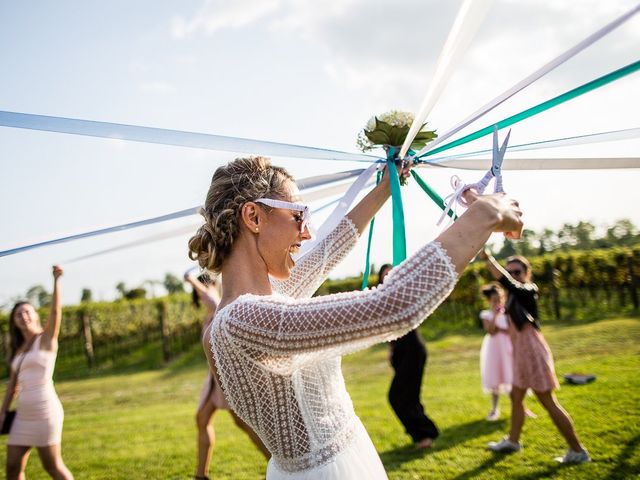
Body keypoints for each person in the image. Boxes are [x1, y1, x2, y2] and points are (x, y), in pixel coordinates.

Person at [188, 156, 523, 479]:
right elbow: (394, 306)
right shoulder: (245, 319)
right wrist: (485, 213)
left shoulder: (260, 301)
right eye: (298, 216)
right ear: (254, 217)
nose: (306, 233)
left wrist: (386, 186)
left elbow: (327, 250)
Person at [481, 251, 590, 464]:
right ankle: (513, 441)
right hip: (520, 353)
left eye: (517, 272)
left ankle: (578, 450)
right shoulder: (511, 297)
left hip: (531, 351)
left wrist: (487, 259)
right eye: (510, 271)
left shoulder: (528, 290)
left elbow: (509, 284)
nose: (513, 275)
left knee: (548, 401)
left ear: (527, 273)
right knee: (516, 398)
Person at [184, 270, 269, 480]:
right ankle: (200, 476)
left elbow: (210, 298)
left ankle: (276, 463)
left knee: (243, 423)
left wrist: (191, 279)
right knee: (202, 419)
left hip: (225, 379)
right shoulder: (214, 309)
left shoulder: (218, 304)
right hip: (213, 379)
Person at [1, 266, 74, 480]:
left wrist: (56, 281)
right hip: (23, 415)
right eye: (18, 314)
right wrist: (3, 412)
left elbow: (55, 312)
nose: (23, 316)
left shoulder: (46, 339)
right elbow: (12, 385)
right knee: (13, 468)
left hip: (45, 411)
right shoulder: (17, 349)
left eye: (27, 311)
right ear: (14, 321)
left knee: (52, 465)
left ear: (35, 315)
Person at [382, 264, 438, 448]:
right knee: (408, 397)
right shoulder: (381, 300)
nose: (389, 278)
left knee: (397, 396)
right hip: (399, 351)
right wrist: (392, 350)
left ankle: (427, 432)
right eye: (385, 276)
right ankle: (421, 436)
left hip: (413, 350)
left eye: (393, 275)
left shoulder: (407, 295)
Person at [479, 283, 512, 421]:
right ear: (489, 301)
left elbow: (511, 330)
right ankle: (494, 409)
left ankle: (520, 407)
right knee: (495, 377)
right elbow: (491, 331)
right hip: (494, 349)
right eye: (494, 300)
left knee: (511, 375)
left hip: (508, 347)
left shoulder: (509, 313)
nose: (497, 302)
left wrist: (502, 327)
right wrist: (495, 317)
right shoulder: (486, 315)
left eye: (500, 299)